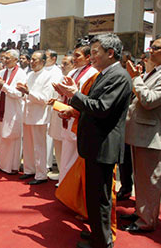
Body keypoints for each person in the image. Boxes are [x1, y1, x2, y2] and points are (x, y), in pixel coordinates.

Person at [55, 34, 132, 248]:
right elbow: (92, 105)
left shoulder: (118, 76)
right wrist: (74, 108)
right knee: (95, 195)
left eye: (96, 52)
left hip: (103, 146)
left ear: (110, 53)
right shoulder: (103, 74)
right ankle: (98, 232)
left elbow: (101, 108)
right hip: (94, 144)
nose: (92, 57)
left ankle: (102, 241)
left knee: (101, 197)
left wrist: (75, 95)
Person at [121, 34, 161, 232]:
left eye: (155, 48)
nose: (150, 51)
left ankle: (147, 221)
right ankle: (142, 213)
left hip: (152, 134)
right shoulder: (156, 71)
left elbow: (149, 100)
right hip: (141, 133)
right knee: (141, 179)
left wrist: (136, 78)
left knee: (150, 181)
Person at [52, 39, 98, 188]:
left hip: (79, 117)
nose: (74, 59)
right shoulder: (73, 71)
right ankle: (64, 184)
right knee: (66, 154)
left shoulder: (93, 74)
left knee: (76, 156)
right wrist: (60, 94)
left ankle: (74, 188)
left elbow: (86, 97)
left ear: (88, 57)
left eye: (78, 56)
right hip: (66, 116)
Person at [16, 50, 54, 185]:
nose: (31, 62)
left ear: (43, 62)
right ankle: (29, 169)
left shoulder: (48, 76)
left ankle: (41, 174)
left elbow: (45, 98)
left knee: (39, 146)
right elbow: (26, 93)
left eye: (35, 60)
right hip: (27, 114)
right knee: (28, 145)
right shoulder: (30, 75)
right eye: (31, 59)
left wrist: (28, 92)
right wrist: (23, 92)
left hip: (39, 116)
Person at [0, 49, 27, 174]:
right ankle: (1, 164)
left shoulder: (21, 74)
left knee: (12, 137)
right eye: (4, 58)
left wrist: (4, 86)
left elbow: (18, 94)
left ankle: (12, 166)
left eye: (8, 59)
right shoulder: (1, 72)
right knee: (1, 136)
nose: (4, 61)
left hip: (13, 110)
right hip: (1, 108)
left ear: (16, 60)